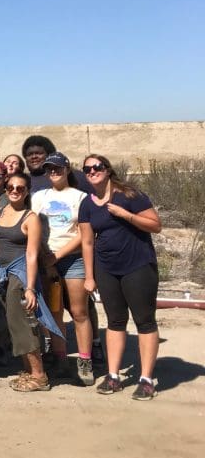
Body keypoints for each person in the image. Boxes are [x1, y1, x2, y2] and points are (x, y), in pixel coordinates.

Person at [78, 154, 163, 400]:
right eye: (87, 169)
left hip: (137, 266)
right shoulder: (87, 204)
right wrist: (89, 276)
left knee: (144, 320)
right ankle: (113, 376)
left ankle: (146, 379)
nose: (92, 171)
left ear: (108, 169)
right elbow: (86, 241)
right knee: (115, 321)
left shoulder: (129, 196)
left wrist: (127, 215)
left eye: (97, 167)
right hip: (107, 268)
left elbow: (155, 225)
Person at [31, 153, 94, 386]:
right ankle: (60, 359)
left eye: (57, 168)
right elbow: (32, 226)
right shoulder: (39, 197)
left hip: (72, 259)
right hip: (47, 261)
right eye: (49, 169)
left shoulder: (80, 197)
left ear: (67, 169)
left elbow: (83, 234)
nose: (53, 172)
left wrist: (57, 255)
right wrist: (43, 254)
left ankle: (85, 362)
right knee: (55, 312)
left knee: (79, 312)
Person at [0, 173, 58, 392]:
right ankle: (28, 371)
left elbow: (31, 253)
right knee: (15, 324)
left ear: (27, 191)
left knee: (24, 325)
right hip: (3, 275)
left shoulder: (31, 218)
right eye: (10, 187)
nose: (14, 191)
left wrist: (30, 288)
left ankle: (39, 376)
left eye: (20, 188)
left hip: (21, 276)